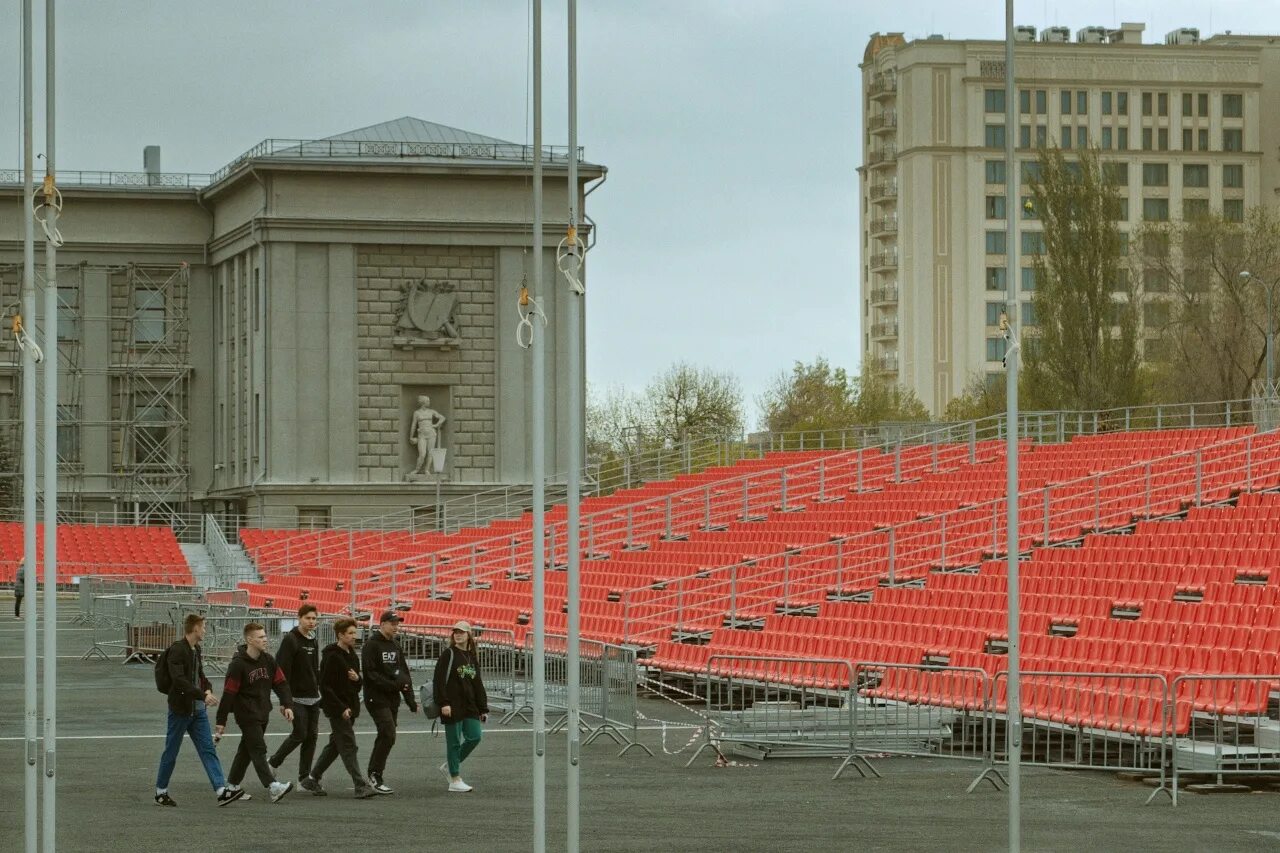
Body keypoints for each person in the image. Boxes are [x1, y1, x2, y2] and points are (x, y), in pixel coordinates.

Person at [153, 613, 244, 807]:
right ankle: (161, 791)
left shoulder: (196, 649)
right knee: (171, 751)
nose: (205, 631)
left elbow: (200, 675)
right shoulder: (178, 650)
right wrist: (202, 695)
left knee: (207, 749)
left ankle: (221, 790)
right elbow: (179, 681)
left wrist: (207, 687)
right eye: (203, 627)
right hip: (180, 710)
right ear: (195, 628)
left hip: (198, 711)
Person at [215, 622, 296, 804]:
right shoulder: (238, 665)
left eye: (265, 636)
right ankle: (273, 787)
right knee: (258, 749)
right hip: (246, 714)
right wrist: (221, 721)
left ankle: (232, 786)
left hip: (263, 711)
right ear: (249, 640)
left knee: (246, 750)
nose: (265, 640)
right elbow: (229, 694)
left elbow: (281, 683)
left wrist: (287, 704)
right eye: (260, 637)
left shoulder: (268, 660)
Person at [305, 618, 376, 799]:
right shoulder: (332, 656)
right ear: (340, 635)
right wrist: (340, 707)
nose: (354, 636)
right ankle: (360, 784)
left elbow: (357, 684)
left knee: (336, 745)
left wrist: (357, 680)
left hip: (350, 707)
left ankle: (312, 777)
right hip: (337, 708)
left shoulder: (352, 654)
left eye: (355, 632)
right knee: (348, 745)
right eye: (351, 633)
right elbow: (325, 686)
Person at [361, 610, 418, 794]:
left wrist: (410, 700)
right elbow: (371, 674)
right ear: (382, 623)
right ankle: (375, 774)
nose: (396, 627)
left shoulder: (395, 645)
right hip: (376, 697)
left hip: (392, 698)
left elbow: (403, 672)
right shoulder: (371, 645)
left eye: (397, 624)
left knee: (388, 735)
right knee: (388, 732)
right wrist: (393, 685)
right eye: (392, 623)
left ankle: (375, 771)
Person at [269, 604, 323, 793]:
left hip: (313, 697)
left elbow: (315, 668)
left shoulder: (314, 639)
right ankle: (273, 762)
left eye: (314, 619)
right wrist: (285, 701)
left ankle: (303, 779)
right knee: (300, 734)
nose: (311, 622)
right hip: (296, 698)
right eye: (308, 618)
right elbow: (281, 671)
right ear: (299, 618)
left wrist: (318, 690)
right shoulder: (291, 640)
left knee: (312, 737)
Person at [434, 620, 489, 793]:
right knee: (454, 742)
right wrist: (444, 702)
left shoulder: (471, 657)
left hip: (469, 705)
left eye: (462, 632)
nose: (458, 634)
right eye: (456, 632)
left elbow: (477, 683)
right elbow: (439, 680)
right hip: (452, 705)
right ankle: (454, 778)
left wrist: (483, 708)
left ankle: (450, 766)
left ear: (468, 635)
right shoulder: (449, 654)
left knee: (475, 736)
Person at [409, 395, 447, 475]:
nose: (429, 402)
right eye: (428, 401)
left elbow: (442, 418)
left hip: (431, 434)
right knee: (422, 454)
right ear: (423, 402)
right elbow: (413, 425)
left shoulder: (431, 411)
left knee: (430, 452)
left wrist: (436, 425)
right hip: (422, 435)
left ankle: (427, 470)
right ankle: (417, 469)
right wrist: (411, 436)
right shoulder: (417, 413)